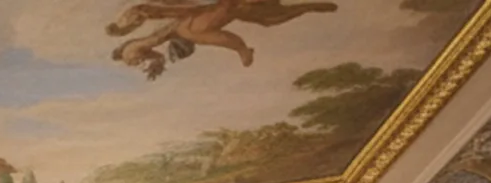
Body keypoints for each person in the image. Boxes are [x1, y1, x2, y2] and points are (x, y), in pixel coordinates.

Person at [106, 0, 338, 78]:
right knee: (268, 19)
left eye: (133, 61)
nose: (135, 63)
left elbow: (143, 20)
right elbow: (154, 51)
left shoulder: (132, 47)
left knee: (195, 31)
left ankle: (243, 49)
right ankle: (307, 7)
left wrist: (120, 29)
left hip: (184, 20)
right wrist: (156, 62)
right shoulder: (140, 44)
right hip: (185, 21)